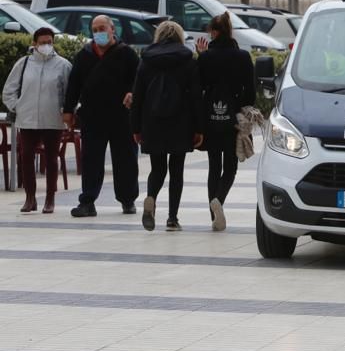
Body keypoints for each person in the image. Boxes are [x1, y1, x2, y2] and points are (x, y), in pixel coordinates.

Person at [63, 15, 140, 218]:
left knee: (126, 159)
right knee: (91, 160)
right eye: (95, 29)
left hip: (122, 117)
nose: (99, 33)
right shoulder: (84, 55)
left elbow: (140, 80)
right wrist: (68, 110)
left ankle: (127, 199)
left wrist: (133, 93)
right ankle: (88, 201)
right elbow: (74, 84)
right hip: (93, 116)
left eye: (102, 28)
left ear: (112, 29)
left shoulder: (127, 54)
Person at [131, 21, 204, 232]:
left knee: (158, 168)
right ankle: (172, 218)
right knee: (177, 170)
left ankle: (151, 199)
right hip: (181, 121)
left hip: (152, 121)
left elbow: (137, 97)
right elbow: (196, 97)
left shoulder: (146, 60)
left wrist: (135, 127)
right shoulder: (187, 60)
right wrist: (199, 128)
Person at [2, 28, 71, 213]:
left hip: (53, 119)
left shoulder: (63, 65)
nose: (46, 45)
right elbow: (9, 90)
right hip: (27, 119)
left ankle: (50, 199)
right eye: (42, 42)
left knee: (51, 158)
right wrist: (18, 107)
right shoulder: (23, 64)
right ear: (34, 44)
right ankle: (30, 198)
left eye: (49, 42)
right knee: (26, 157)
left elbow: (70, 93)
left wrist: (66, 111)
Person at [197, 13, 255, 231]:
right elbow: (250, 93)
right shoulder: (242, 56)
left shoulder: (205, 57)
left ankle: (214, 214)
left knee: (214, 165)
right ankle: (219, 200)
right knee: (230, 166)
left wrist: (202, 56)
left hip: (210, 118)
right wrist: (239, 105)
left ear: (214, 32)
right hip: (233, 118)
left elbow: (198, 86)